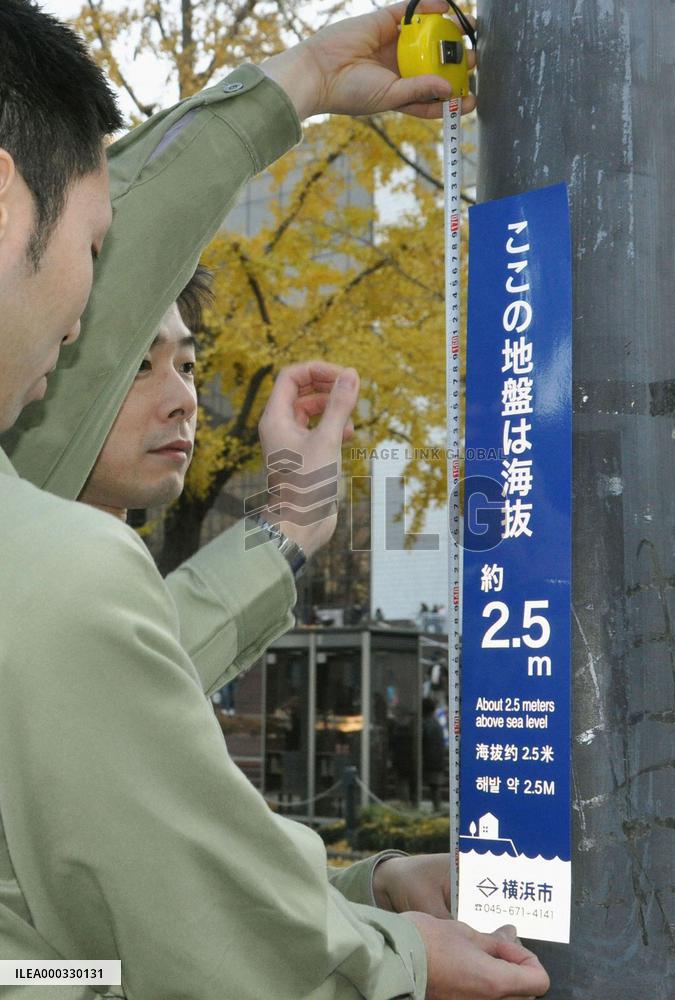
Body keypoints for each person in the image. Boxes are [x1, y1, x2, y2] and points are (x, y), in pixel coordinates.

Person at [0, 2, 550, 998]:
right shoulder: (59, 580)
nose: (87, 318)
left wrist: (360, 897)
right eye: (92, 249)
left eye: (191, 358)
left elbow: (81, 932)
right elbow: (159, 940)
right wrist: (391, 955)